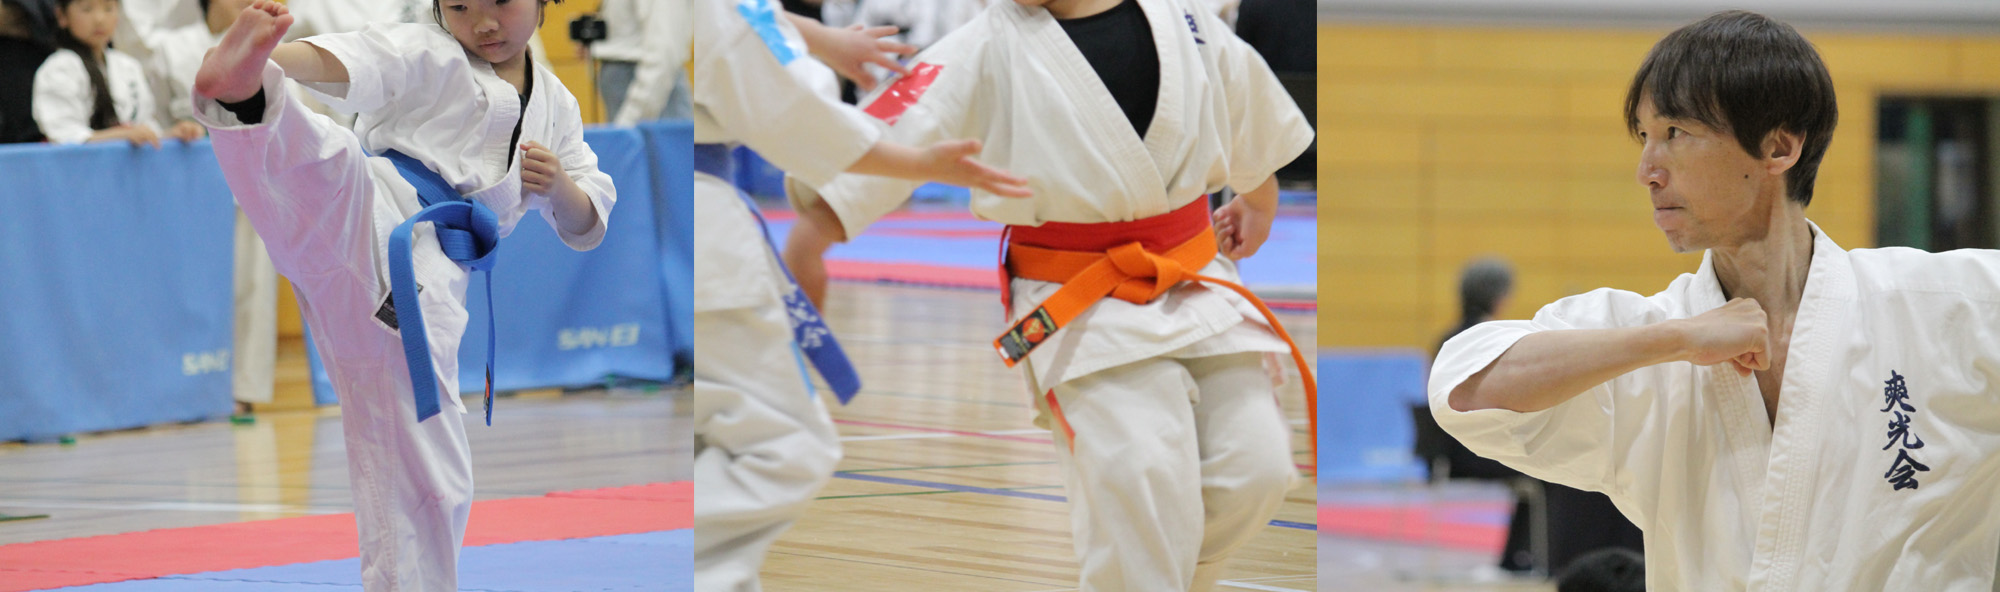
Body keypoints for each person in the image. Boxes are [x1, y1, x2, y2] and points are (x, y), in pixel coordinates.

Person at [1429, 10, 2000, 591]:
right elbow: (1464, 387)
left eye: (1675, 133)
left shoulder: (1948, 305)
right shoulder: (1649, 337)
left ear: (1778, 148)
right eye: (1644, 137)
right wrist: (1678, 339)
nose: (1647, 170)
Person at [782, 0, 1315, 588]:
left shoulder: (1183, 17)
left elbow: (1242, 104)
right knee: (1138, 467)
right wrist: (814, 232)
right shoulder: (982, 46)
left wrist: (1259, 199)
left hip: (1194, 270)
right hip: (1078, 294)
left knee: (1257, 466)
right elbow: (894, 130)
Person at [187, 0, 615, 588]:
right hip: (381, 203)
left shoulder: (557, 107)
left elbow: (587, 223)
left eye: (499, 4)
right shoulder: (428, 51)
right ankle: (248, 88)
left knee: (432, 475)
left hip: (425, 272)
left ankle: (247, 96)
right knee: (327, 161)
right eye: (460, 7)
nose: (482, 23)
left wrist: (561, 187)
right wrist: (273, 56)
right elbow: (354, 60)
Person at [689, 0, 1032, 588]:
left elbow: (741, 30)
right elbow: (787, 101)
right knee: (784, 447)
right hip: (708, 214)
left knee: (711, 436)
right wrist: (916, 161)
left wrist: (820, 38)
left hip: (676, 205)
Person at [33, 0, 188, 145]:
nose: (100, 19)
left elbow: (144, 127)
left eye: (108, 8)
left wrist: (172, 134)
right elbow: (65, 136)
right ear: (62, 15)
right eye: (87, 9)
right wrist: (123, 135)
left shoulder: (128, 66)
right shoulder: (59, 69)